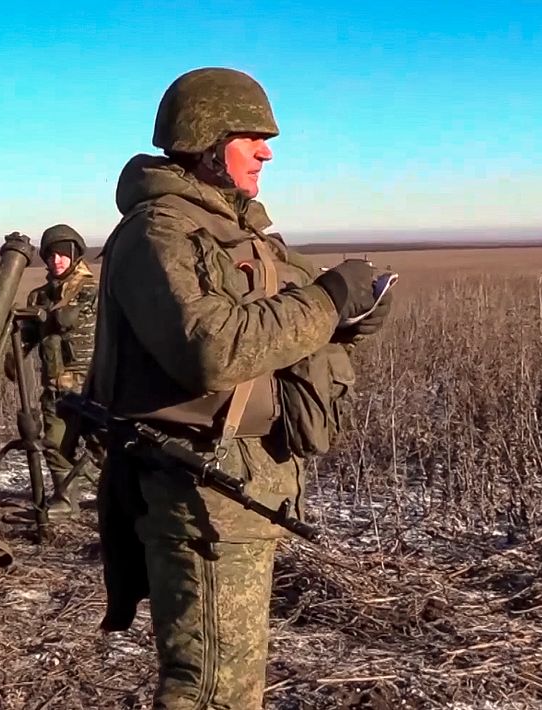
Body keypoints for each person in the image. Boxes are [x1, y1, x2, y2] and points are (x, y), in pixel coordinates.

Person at [87, 67, 393, 708]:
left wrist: (352, 313)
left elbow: (284, 331)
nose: (266, 153)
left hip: (242, 483)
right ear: (205, 142)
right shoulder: (159, 232)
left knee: (230, 684)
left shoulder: (237, 232)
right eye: (250, 138)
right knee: (210, 692)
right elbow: (213, 349)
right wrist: (327, 300)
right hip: (199, 487)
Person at [8, 225, 99, 518]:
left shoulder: (94, 292)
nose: (56, 260)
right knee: (56, 445)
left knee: (105, 448)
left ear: (75, 255)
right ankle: (66, 500)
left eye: (62, 254)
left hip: (95, 387)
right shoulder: (40, 297)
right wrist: (13, 358)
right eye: (51, 255)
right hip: (57, 387)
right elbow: (28, 336)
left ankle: (119, 499)